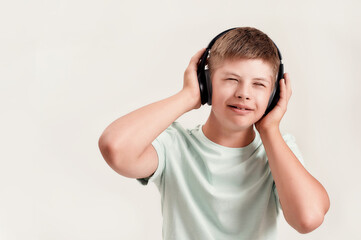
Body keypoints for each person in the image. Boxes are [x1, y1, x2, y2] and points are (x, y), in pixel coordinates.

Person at [98, 27, 330, 240]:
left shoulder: (278, 151)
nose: (244, 93)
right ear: (206, 84)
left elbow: (307, 219)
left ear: (273, 96)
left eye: (258, 84)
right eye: (231, 79)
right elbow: (115, 148)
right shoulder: (174, 146)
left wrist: (270, 130)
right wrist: (189, 96)